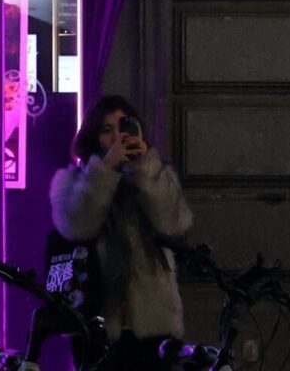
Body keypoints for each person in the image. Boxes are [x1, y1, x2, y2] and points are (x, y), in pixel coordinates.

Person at [50, 96, 194, 362]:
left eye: (123, 128)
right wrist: (105, 170)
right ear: (94, 136)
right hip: (95, 320)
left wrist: (144, 169)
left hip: (153, 323)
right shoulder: (71, 181)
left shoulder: (154, 173)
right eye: (107, 130)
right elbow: (78, 226)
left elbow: (174, 223)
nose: (117, 137)